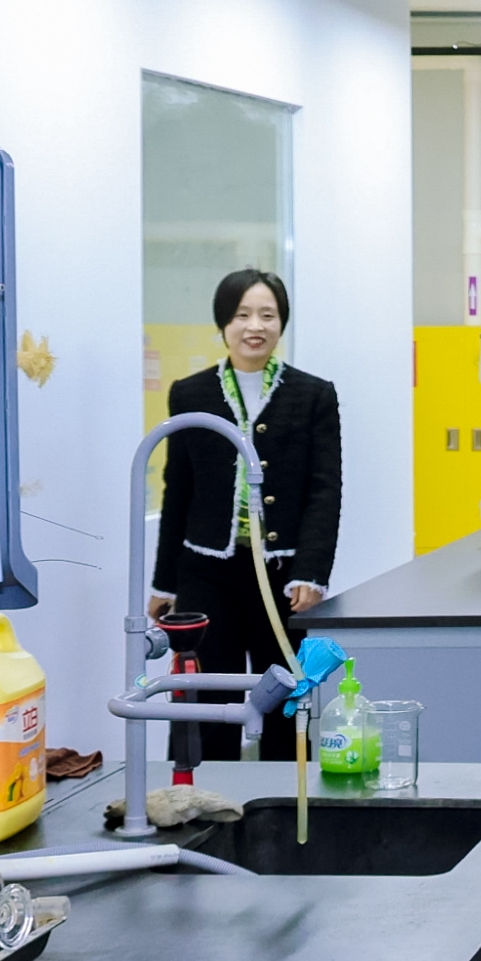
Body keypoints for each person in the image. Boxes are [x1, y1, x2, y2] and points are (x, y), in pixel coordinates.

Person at [150, 267, 344, 767]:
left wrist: (311, 572)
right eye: (241, 315)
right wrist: (165, 583)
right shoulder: (190, 393)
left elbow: (325, 489)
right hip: (206, 573)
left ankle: (283, 796)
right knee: (204, 695)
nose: (254, 326)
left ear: (282, 324)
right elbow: (178, 489)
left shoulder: (313, 394)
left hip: (282, 575)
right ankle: (200, 796)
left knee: (283, 691)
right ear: (223, 323)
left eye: (267, 315)